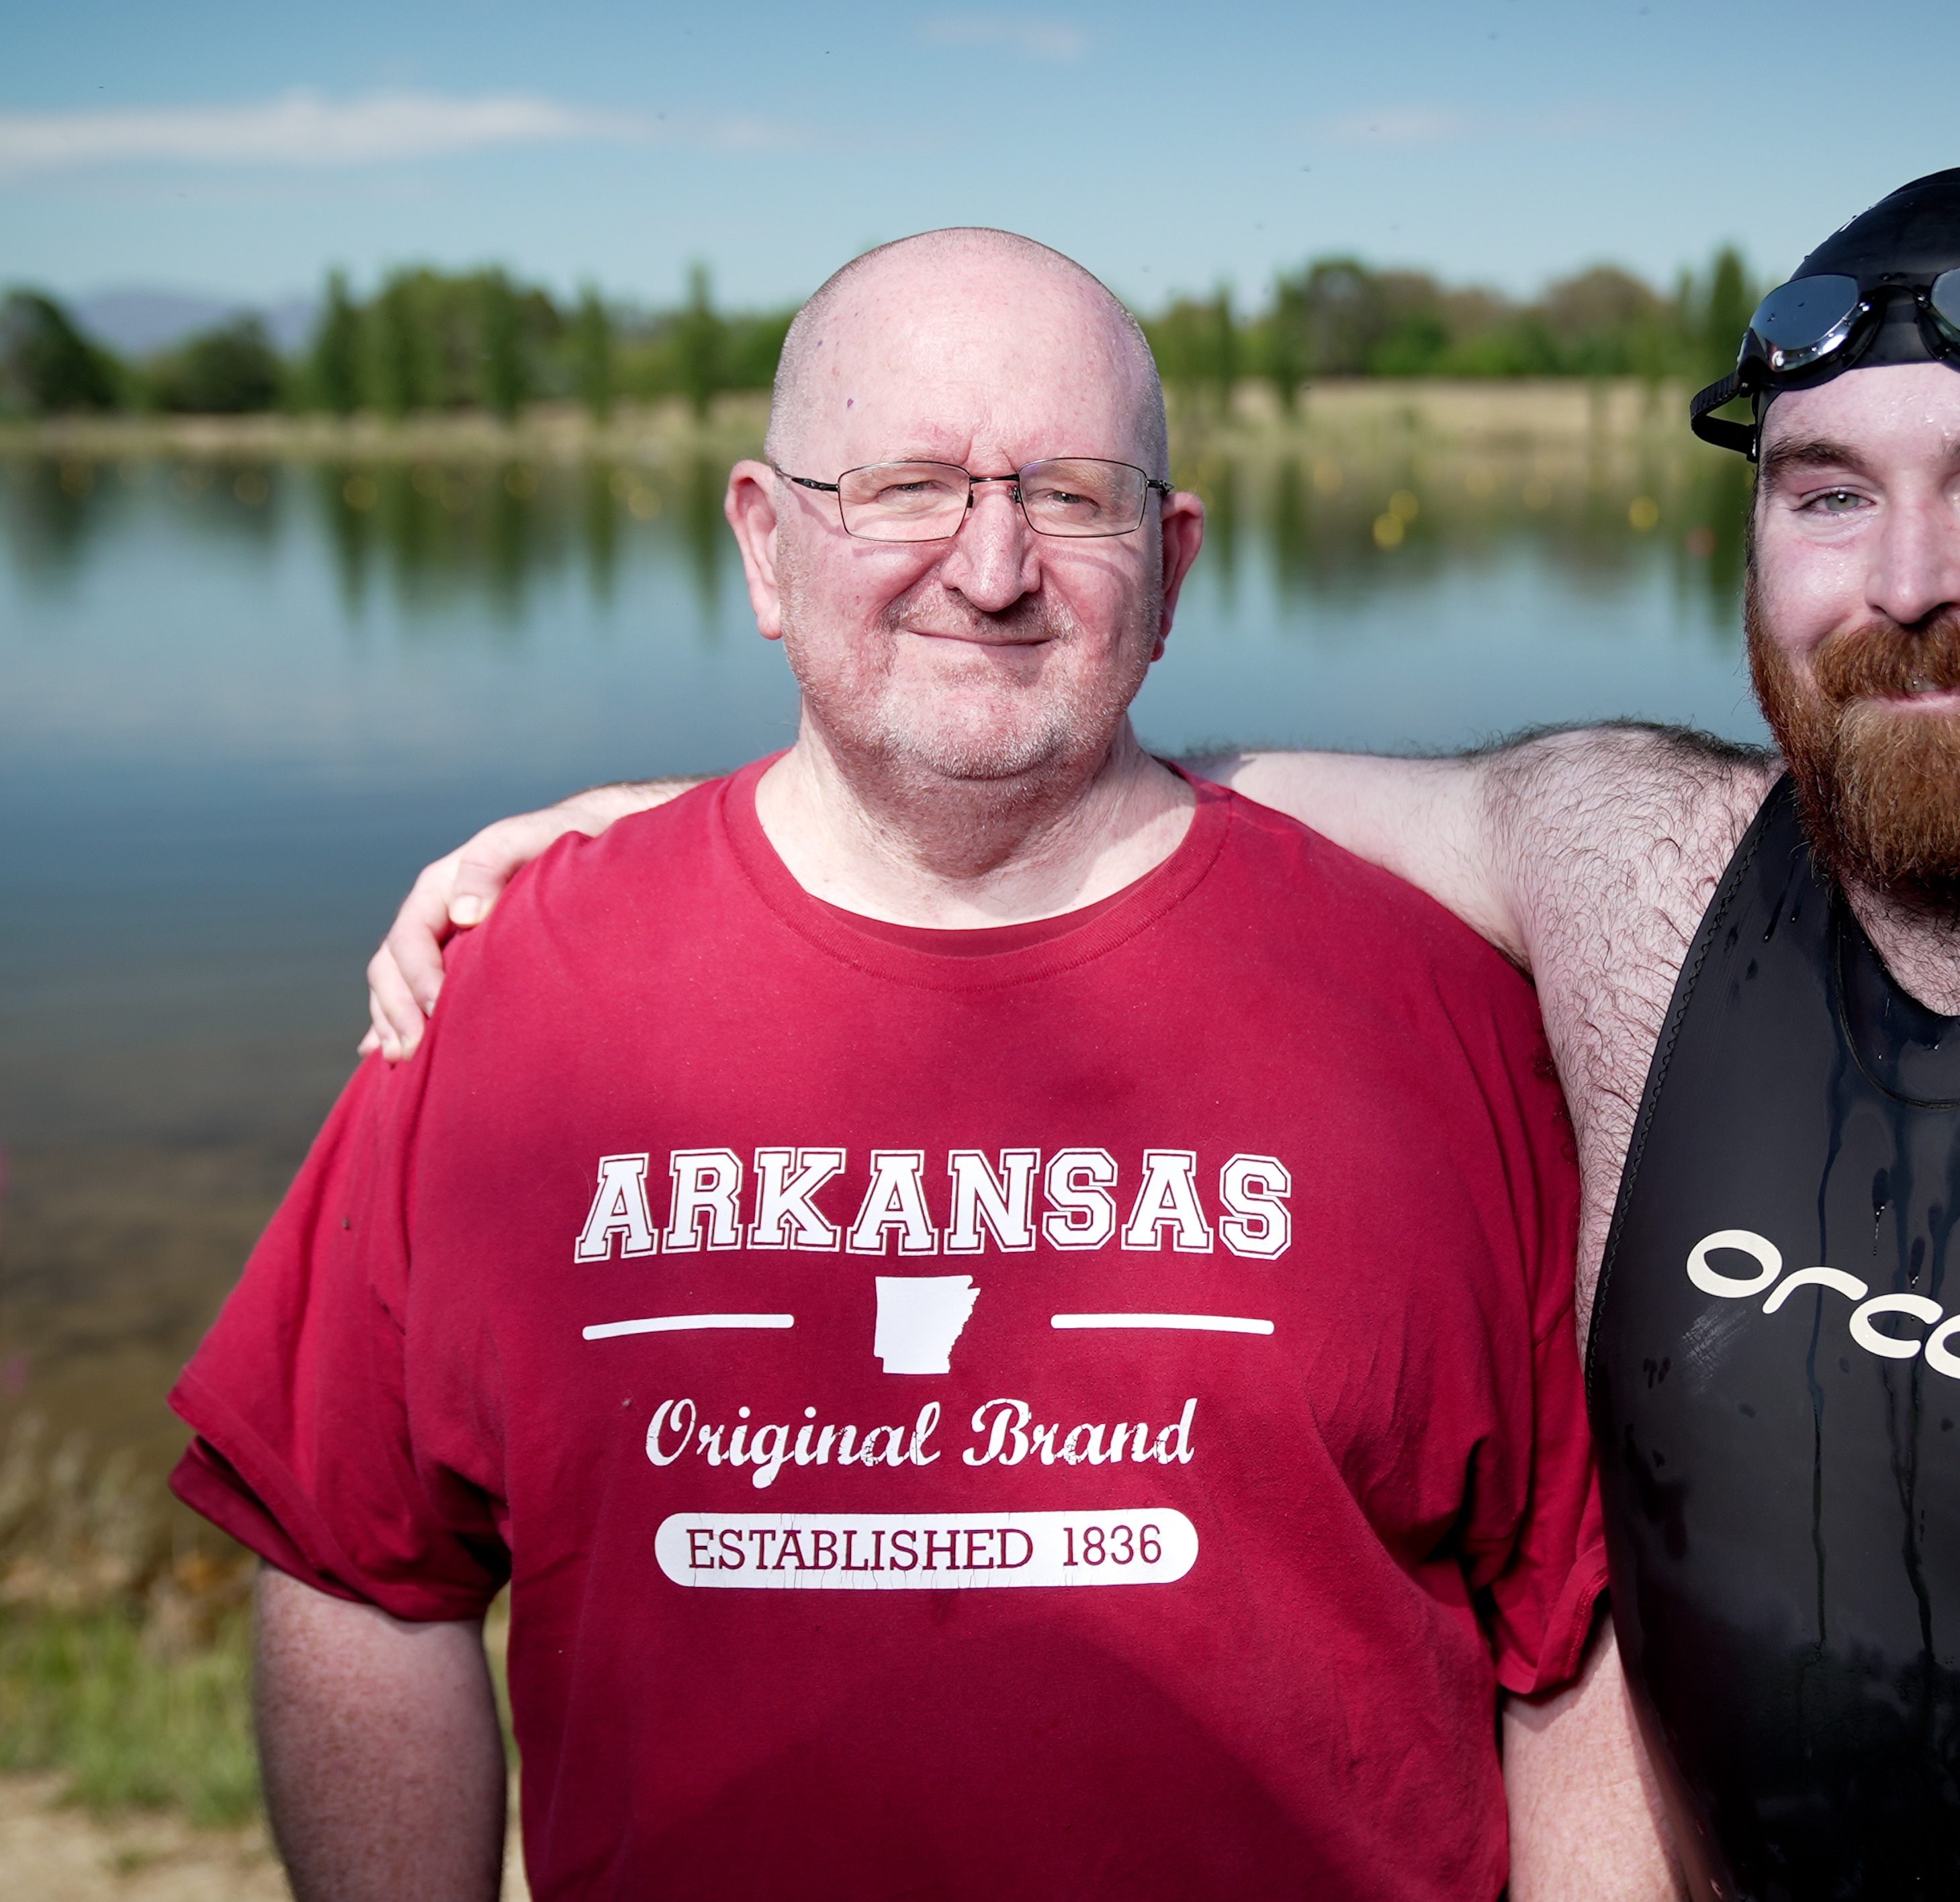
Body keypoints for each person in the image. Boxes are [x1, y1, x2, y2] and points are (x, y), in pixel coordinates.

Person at [365, 169, 1960, 1900]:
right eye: (1828, 491)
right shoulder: (1626, 873)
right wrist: (684, 822)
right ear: (1757, 540)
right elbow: (1126, 773)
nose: (1909, 579)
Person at [172, 228, 1631, 1902]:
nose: (992, 564)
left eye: (1070, 496)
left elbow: (1566, 1633)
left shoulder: (1434, 1012)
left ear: (1173, 563)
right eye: (907, 485)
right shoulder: (511, 1000)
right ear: (763, 542)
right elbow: (364, 1570)